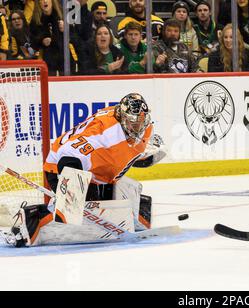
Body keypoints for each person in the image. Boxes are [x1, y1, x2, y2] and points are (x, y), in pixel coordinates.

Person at [6, 93, 167, 247]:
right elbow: (67, 155)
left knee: (112, 204)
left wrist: (148, 156)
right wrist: (74, 193)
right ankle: (31, 220)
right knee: (73, 215)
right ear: (123, 117)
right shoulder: (103, 131)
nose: (138, 127)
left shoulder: (143, 128)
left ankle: (137, 217)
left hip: (99, 173)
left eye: (141, 121)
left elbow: (130, 151)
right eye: (133, 123)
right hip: (62, 168)